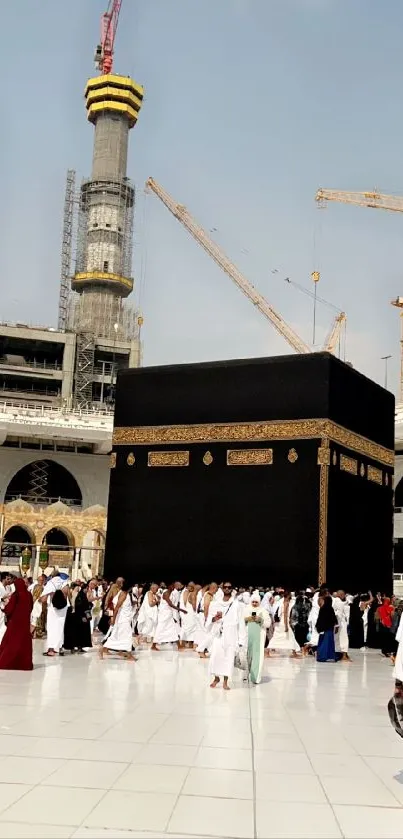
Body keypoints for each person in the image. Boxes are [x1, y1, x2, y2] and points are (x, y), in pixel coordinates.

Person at [206, 581, 246, 690]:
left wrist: (241, 640)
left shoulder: (237, 604)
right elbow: (209, 618)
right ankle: (216, 678)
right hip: (219, 634)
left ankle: (225, 681)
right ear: (222, 589)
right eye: (225, 587)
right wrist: (214, 619)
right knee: (215, 657)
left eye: (229, 587)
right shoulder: (216, 603)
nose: (227, 589)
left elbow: (241, 623)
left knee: (228, 658)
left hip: (231, 635)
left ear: (232, 589)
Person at [0, 574, 33, 671]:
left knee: (11, 642)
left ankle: (8, 662)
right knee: (24, 643)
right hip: (25, 622)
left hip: (14, 623)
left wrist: (4, 608)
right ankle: (25, 664)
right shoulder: (29, 594)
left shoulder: (16, 595)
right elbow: (30, 607)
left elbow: (9, 609)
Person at [100, 580, 136, 660]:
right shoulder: (123, 594)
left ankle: (103, 649)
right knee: (127, 636)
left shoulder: (124, 593)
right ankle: (129, 655)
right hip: (122, 620)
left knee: (117, 636)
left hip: (124, 619)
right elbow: (116, 608)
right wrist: (113, 619)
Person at [244, 591, 271, 684]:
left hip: (259, 638)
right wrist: (247, 619)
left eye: (256, 602)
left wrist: (260, 620)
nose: (254, 604)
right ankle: (246, 675)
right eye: (253, 602)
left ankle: (256, 678)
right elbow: (240, 621)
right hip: (247, 637)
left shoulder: (263, 611)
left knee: (257, 657)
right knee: (247, 656)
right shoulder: (246, 609)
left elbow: (268, 624)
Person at [41, 573, 70, 657]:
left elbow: (43, 599)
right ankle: (60, 648)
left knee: (51, 628)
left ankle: (51, 650)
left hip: (53, 608)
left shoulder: (50, 583)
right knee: (61, 627)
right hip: (63, 607)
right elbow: (67, 594)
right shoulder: (65, 582)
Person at [152, 582, 184, 650]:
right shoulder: (166, 593)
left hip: (169, 614)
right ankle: (153, 645)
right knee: (160, 629)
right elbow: (170, 604)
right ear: (169, 586)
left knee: (173, 629)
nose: (173, 587)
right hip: (163, 615)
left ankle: (179, 645)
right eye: (172, 586)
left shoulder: (171, 593)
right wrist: (181, 610)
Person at [268, 590, 300, 657]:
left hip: (281, 622)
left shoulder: (282, 602)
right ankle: (294, 653)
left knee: (277, 637)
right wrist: (286, 626)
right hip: (284, 622)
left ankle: (267, 651)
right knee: (290, 636)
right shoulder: (286, 603)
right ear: (288, 595)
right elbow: (285, 615)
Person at [316, 594, 338, 662]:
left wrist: (318, 627)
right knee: (330, 643)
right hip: (329, 628)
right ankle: (330, 656)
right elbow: (334, 618)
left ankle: (322, 656)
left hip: (323, 628)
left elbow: (320, 619)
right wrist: (336, 625)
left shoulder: (322, 608)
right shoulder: (330, 608)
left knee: (323, 642)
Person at [333, 590, 351, 662]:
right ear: (341, 595)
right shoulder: (339, 602)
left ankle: (341, 655)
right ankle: (344, 656)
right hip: (341, 624)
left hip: (337, 624)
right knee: (344, 639)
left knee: (337, 639)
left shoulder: (334, 601)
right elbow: (338, 614)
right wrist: (337, 625)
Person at [179, 582, 198, 649]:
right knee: (190, 629)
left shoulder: (185, 592)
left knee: (186, 628)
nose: (192, 587)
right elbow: (194, 606)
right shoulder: (191, 594)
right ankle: (183, 644)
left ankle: (187, 644)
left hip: (186, 613)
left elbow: (184, 603)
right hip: (191, 613)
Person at [30, 574, 47, 638]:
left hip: (41, 606)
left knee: (37, 620)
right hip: (37, 606)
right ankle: (33, 634)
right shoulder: (38, 587)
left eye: (42, 580)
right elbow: (34, 597)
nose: (41, 581)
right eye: (40, 580)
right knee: (35, 620)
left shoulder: (41, 587)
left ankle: (34, 634)